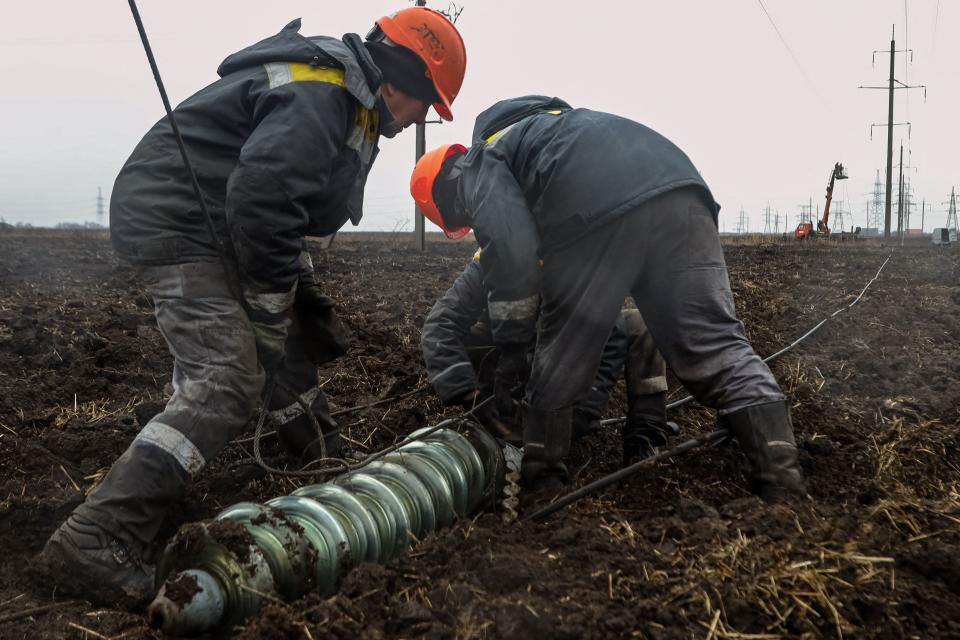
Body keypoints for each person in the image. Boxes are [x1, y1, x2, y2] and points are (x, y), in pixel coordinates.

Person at [40, 8, 466, 606]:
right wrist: (272, 310)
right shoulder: (324, 99)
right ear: (403, 78)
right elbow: (263, 197)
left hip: (220, 222)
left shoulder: (347, 102)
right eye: (428, 103)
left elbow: (280, 209)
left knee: (282, 343)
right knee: (228, 379)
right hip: (186, 218)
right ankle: (96, 535)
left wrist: (297, 300)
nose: (423, 116)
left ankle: (317, 454)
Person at [410, 95, 806, 505]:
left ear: (448, 195)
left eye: (466, 219)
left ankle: (541, 485)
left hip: (597, 209)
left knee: (561, 352)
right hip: (685, 191)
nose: (474, 224)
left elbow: (511, 249)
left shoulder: (480, 161)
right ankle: (783, 484)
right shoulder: (561, 131)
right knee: (715, 344)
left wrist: (513, 358)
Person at [421, 250, 677, 461]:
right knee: (468, 342)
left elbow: (612, 330)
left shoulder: (582, 254)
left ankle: (645, 436)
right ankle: (499, 416)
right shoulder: (492, 255)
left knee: (641, 325)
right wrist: (468, 394)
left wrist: (587, 408)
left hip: (563, 333)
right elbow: (439, 327)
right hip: (506, 336)